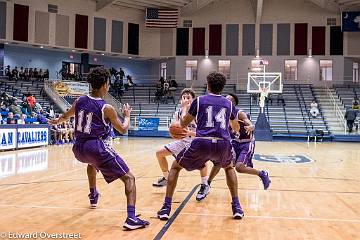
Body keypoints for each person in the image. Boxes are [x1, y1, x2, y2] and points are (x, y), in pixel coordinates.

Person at [48, 67, 149, 230]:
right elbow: (123, 130)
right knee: (129, 178)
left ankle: (93, 195)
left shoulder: (80, 100)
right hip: (95, 147)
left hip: (78, 149)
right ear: (104, 85)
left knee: (92, 164)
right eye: (108, 83)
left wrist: (56, 121)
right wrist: (128, 115)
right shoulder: (106, 108)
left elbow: (66, 116)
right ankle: (131, 218)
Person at [157, 72, 244, 221]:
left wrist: (183, 113)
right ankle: (237, 207)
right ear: (222, 87)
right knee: (229, 168)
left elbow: (183, 124)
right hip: (222, 143)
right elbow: (236, 128)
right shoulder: (229, 104)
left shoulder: (199, 101)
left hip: (202, 141)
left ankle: (166, 207)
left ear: (208, 85)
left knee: (176, 167)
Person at [153, 88, 210, 201]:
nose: (185, 99)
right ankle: (166, 178)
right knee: (159, 153)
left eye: (188, 97)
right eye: (183, 97)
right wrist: (175, 135)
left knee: (203, 163)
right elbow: (177, 129)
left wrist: (190, 133)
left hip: (196, 142)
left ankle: (205, 185)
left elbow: (204, 133)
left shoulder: (199, 113)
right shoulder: (178, 113)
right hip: (182, 141)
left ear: (193, 100)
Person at [207, 93, 271, 192]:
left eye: (229, 101)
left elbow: (249, 123)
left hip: (247, 143)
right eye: (225, 100)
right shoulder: (222, 115)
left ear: (233, 104)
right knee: (220, 162)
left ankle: (262, 174)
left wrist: (251, 127)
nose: (226, 102)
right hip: (234, 142)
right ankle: (207, 183)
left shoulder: (240, 113)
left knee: (239, 168)